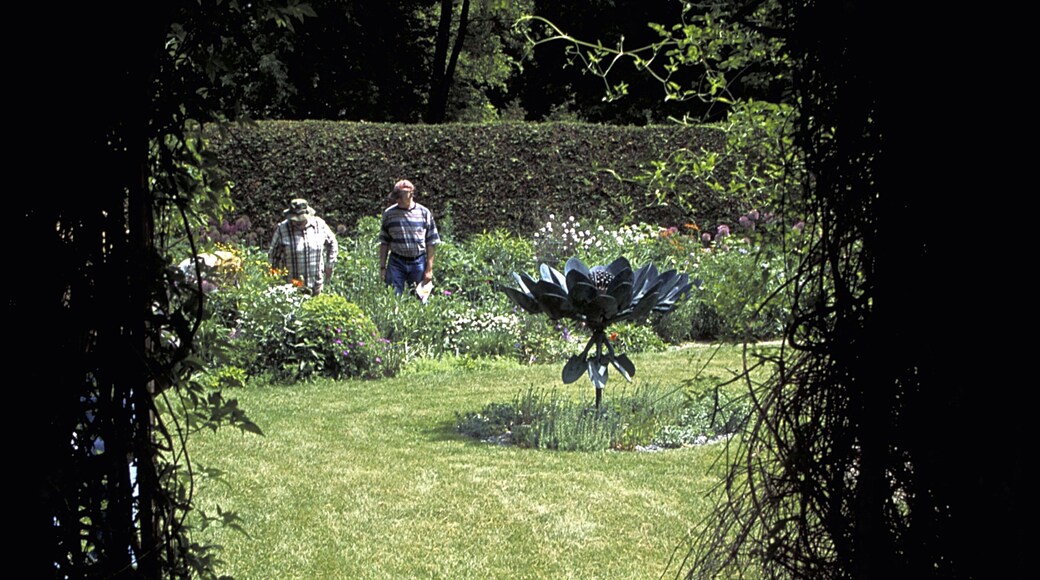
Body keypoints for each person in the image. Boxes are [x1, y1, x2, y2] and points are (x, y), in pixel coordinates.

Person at [378, 179, 441, 297]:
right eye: (396, 196)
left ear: (410, 194)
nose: (397, 199)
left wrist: (429, 269)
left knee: (419, 299)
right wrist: (382, 267)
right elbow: (384, 242)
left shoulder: (424, 213)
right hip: (396, 262)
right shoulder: (389, 214)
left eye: (400, 196)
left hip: (418, 262)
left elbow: (431, 242)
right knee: (392, 297)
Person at [268, 198, 338, 295]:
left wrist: (329, 264)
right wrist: (274, 279)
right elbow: (273, 256)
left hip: (316, 286)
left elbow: (333, 243)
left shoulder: (319, 225)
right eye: (294, 220)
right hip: (292, 289)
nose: (297, 223)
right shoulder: (283, 229)